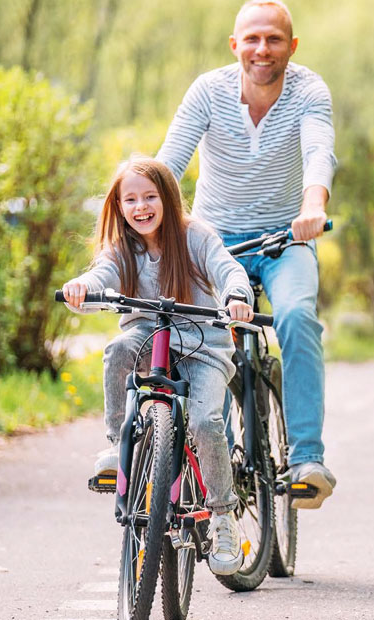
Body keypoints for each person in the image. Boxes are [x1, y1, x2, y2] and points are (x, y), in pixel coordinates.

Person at [156, 0, 338, 509]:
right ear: (235, 45)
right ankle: (193, 452)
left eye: (274, 39)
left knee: (297, 316)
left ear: (291, 46)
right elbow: (170, 161)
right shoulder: (208, 91)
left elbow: (318, 151)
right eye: (252, 39)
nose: (263, 49)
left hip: (285, 241)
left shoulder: (309, 90)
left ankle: (306, 459)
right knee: (193, 328)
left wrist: (313, 204)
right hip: (215, 242)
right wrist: (142, 211)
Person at [61, 156, 255, 575]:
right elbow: (101, 275)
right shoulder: (122, 248)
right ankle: (119, 447)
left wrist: (237, 297)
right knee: (118, 350)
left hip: (204, 347)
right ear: (118, 206)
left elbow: (228, 270)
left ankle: (223, 516)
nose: (141, 207)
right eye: (130, 199)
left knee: (205, 423)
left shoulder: (195, 236)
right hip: (149, 337)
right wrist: (82, 286)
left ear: (167, 197)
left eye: (150, 197)